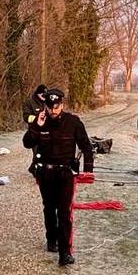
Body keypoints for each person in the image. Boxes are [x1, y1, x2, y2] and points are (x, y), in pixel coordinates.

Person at [22, 88, 93, 266]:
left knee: (64, 212)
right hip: (45, 173)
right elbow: (27, 143)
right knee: (49, 208)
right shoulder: (40, 122)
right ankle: (51, 239)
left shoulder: (73, 122)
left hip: (65, 173)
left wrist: (88, 170)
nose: (53, 111)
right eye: (50, 107)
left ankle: (65, 252)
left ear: (62, 104)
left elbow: (86, 146)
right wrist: (36, 126)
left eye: (57, 107)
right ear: (45, 105)